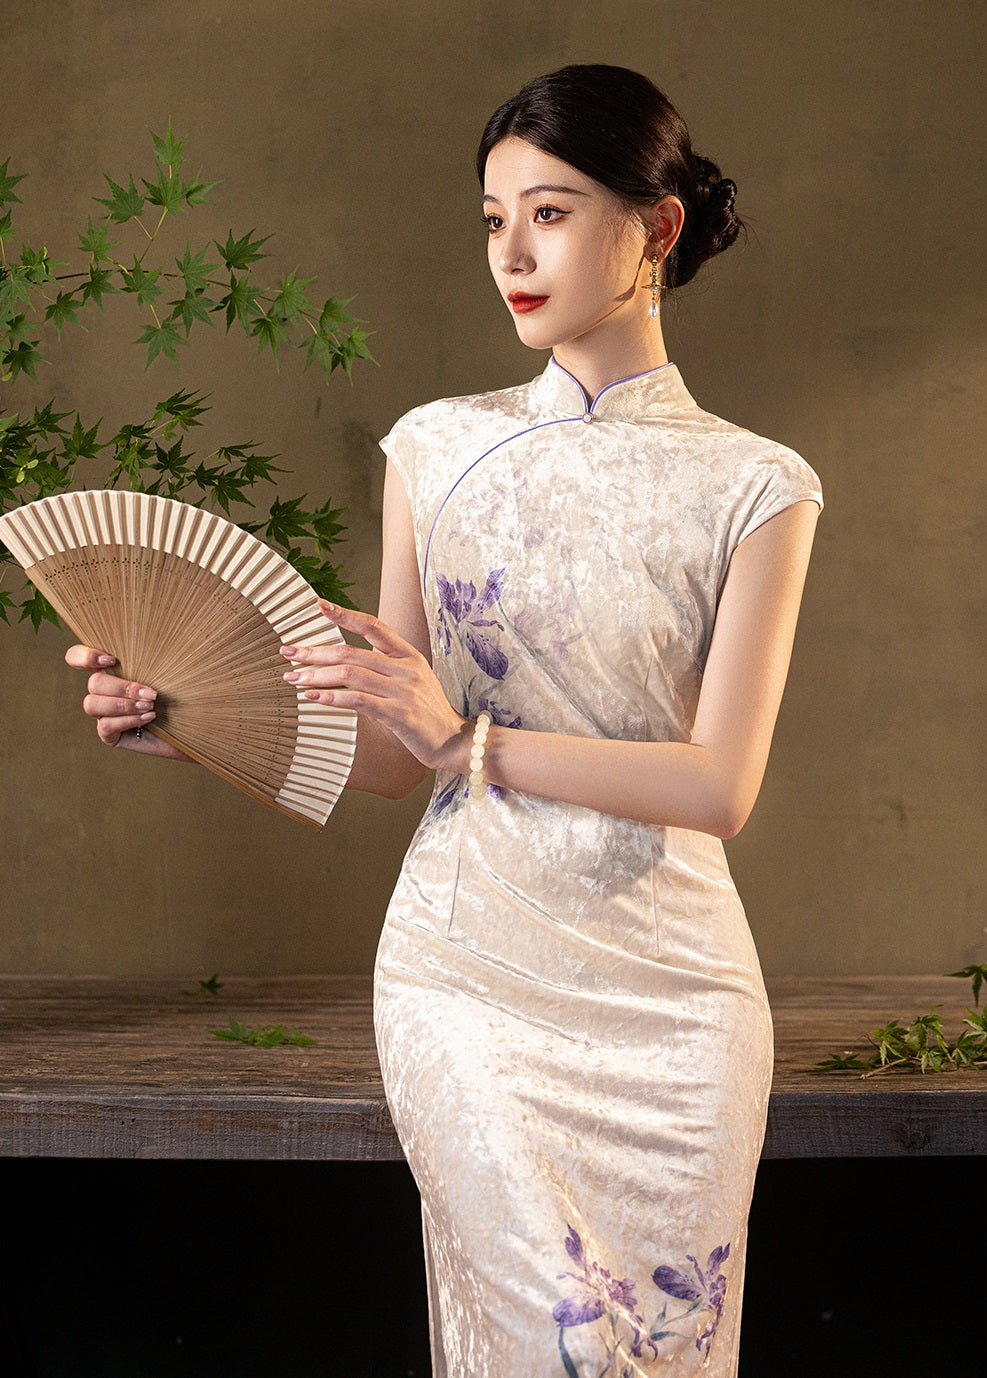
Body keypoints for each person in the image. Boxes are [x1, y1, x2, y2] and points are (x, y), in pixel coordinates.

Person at [69, 64, 822, 1378]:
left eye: (551, 211)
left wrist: (462, 736)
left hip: (678, 1003)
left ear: (656, 227)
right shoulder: (434, 447)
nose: (513, 253)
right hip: (467, 972)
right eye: (491, 220)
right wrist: (181, 717)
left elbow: (718, 786)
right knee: (555, 1339)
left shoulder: (757, 485)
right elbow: (384, 748)